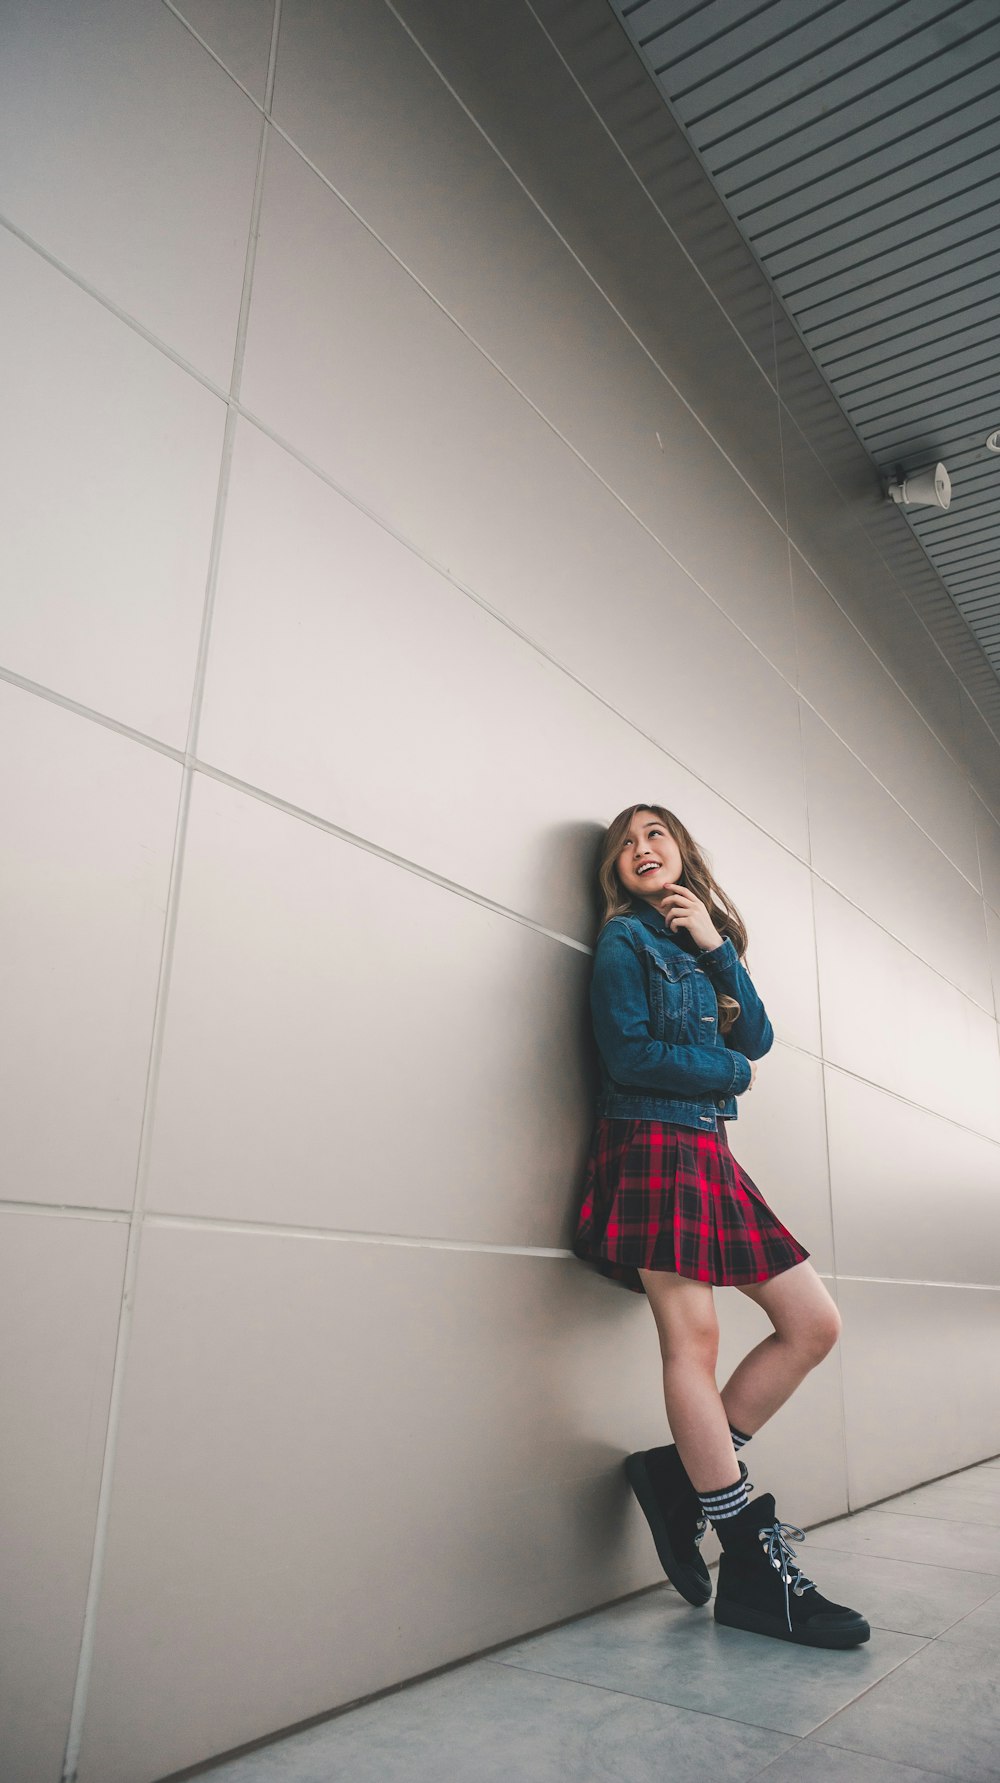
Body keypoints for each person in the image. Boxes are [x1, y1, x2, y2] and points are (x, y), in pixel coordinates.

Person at [573, 802, 870, 1649]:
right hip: (651, 1146)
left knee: (812, 1322)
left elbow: (764, 1034)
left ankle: (680, 1473)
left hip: (706, 1151)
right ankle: (745, 1556)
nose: (641, 848)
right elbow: (630, 1053)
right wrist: (729, 1066)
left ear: (682, 850)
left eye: (655, 833)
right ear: (617, 869)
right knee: (692, 1343)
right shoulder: (624, 942)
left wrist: (714, 942)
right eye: (626, 843)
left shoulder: (698, 943)